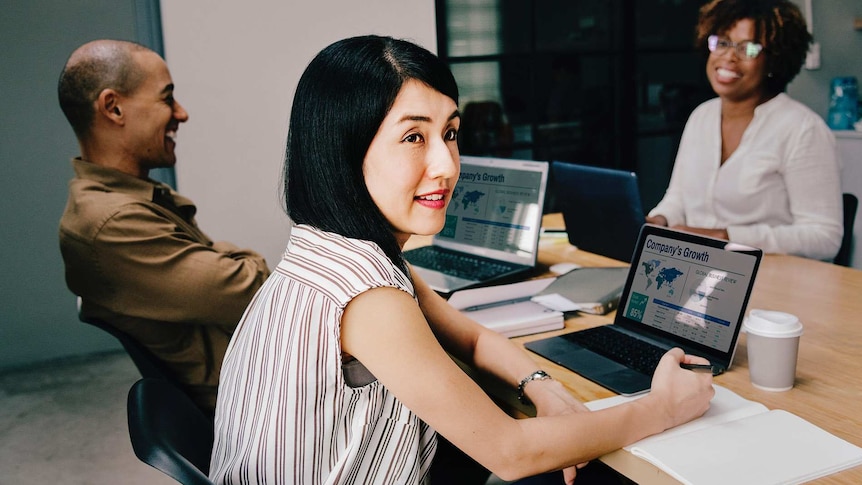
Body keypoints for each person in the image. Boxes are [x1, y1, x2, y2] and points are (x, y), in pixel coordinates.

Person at [208, 35, 714, 485]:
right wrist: (664, 405)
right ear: (344, 150)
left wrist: (544, 388)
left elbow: (470, 336)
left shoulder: (331, 247)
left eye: (449, 133)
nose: (447, 165)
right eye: (413, 138)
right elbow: (512, 453)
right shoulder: (367, 295)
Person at [57, 39, 270, 414]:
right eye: (166, 98)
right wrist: (243, 259)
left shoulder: (130, 198)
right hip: (261, 407)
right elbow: (252, 289)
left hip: (262, 378)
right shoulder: (112, 222)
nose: (181, 114)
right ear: (113, 107)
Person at [646, 0, 843, 262]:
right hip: (695, 268)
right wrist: (659, 219)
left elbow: (824, 237)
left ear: (774, 59)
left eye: (748, 48)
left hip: (773, 279)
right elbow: (678, 199)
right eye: (723, 42)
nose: (729, 56)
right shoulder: (701, 117)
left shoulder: (803, 130)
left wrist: (727, 236)